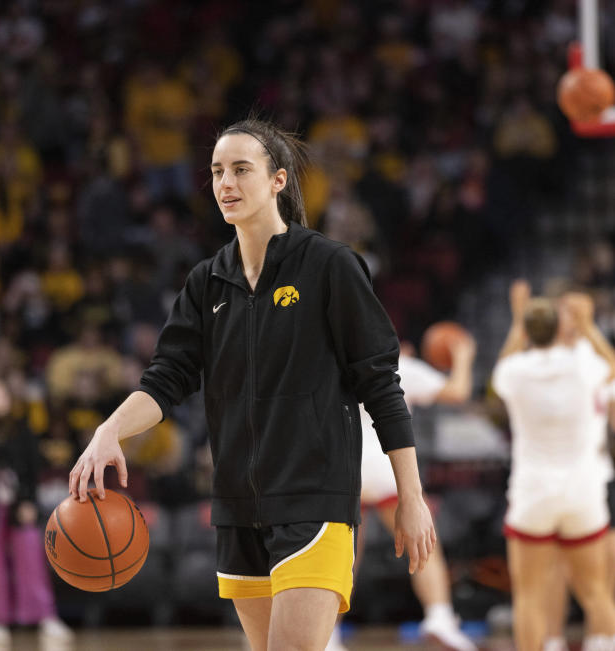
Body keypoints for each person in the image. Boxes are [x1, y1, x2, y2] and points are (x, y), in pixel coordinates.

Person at [68, 118, 436, 650]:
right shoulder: (206, 281)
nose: (226, 183)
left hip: (314, 499)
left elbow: (381, 385)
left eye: (242, 169)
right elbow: (165, 379)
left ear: (278, 181)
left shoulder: (330, 266)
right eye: (218, 171)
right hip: (238, 507)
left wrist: (412, 495)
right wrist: (110, 430)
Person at [493, 282, 615, 651]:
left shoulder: (515, 371)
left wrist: (518, 318)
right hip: (583, 491)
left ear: (528, 332)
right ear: (559, 328)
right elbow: (614, 366)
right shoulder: (585, 366)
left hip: (533, 492)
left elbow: (501, 369)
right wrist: (587, 325)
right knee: (598, 593)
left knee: (529, 596)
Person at [327, 336, 478, 651]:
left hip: (345, 466)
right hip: (389, 466)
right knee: (423, 545)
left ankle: (329, 633)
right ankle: (439, 615)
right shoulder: (401, 365)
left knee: (345, 558)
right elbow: (458, 392)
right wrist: (463, 355)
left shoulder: (337, 362)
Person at [0, 378, 72, 647]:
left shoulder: (21, 428)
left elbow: (32, 468)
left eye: (0, 393)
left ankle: (45, 616)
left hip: (19, 504)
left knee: (30, 558)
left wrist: (28, 501)